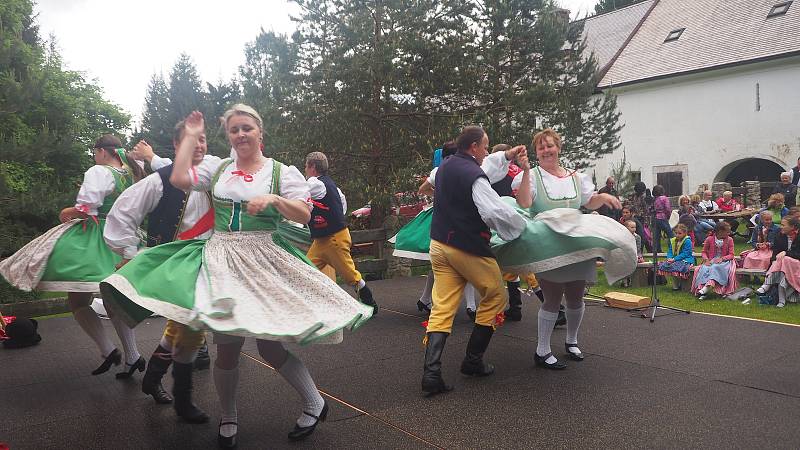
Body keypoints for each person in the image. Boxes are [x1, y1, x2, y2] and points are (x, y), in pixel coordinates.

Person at [101, 106, 373, 446]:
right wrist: (189, 136)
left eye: (246, 128)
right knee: (226, 347)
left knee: (269, 347)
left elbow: (304, 214)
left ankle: (314, 402)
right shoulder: (219, 168)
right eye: (233, 130)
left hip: (262, 259)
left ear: (260, 132)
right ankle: (228, 417)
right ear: (228, 136)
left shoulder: (281, 172)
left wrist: (273, 199)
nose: (240, 134)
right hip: (223, 260)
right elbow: (180, 177)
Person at [0, 135, 146, 376]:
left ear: (101, 151)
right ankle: (133, 356)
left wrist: (66, 211)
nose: (94, 157)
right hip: (125, 237)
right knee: (114, 299)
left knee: (78, 300)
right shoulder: (131, 174)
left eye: (94, 152)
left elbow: (86, 207)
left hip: (96, 236)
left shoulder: (99, 171)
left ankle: (109, 350)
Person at [492, 128, 636, 370]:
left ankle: (571, 341)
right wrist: (527, 171)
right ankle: (542, 350)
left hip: (576, 241)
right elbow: (525, 203)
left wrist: (602, 198)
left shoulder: (576, 177)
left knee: (576, 296)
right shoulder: (533, 175)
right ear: (536, 152)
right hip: (549, 242)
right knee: (552, 298)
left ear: (558, 147)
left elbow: (587, 202)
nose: (546, 150)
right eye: (541, 147)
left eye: (550, 145)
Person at [102, 122, 217, 423]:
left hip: (209, 262)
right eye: (192, 141)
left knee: (183, 325)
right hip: (174, 265)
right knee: (190, 324)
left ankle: (153, 379)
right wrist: (130, 253)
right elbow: (123, 211)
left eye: (202, 140)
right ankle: (183, 399)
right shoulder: (161, 180)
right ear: (178, 147)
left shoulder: (218, 176)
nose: (199, 145)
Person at [421, 125, 527, 396]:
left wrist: (508, 155)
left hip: (439, 245)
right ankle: (472, 360)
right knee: (496, 296)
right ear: (474, 147)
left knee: (443, 306)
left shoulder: (445, 167)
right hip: (467, 247)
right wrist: (519, 229)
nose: (488, 151)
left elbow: (485, 168)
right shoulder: (474, 176)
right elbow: (493, 211)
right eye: (486, 146)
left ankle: (431, 374)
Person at [396, 140, 521, 318]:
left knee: (444, 263)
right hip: (451, 220)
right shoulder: (450, 170)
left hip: (448, 221)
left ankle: (437, 302)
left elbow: (425, 189)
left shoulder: (446, 170)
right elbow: (423, 189)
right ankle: (468, 307)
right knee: (458, 259)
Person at [304, 151, 378, 313]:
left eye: (306, 166)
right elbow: (341, 206)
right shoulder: (333, 187)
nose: (305, 170)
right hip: (322, 240)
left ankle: (370, 304)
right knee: (306, 270)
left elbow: (299, 194)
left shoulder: (314, 183)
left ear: (312, 167)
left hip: (333, 239)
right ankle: (315, 306)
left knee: (351, 276)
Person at [757, 215, 800, 307]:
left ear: (792, 227)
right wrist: (774, 261)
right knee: (782, 269)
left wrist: (786, 253)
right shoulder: (779, 235)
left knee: (785, 259)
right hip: (781, 266)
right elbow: (775, 253)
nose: (781, 227)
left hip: (797, 264)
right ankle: (781, 301)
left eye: (783, 225)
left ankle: (767, 285)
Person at [691, 222, 738, 300]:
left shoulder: (729, 240)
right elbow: (704, 252)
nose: (729, 233)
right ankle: (703, 290)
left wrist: (722, 259)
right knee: (704, 269)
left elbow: (731, 255)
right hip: (711, 260)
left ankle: (705, 289)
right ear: (720, 231)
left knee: (715, 268)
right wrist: (706, 260)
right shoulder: (709, 239)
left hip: (725, 261)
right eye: (727, 231)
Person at [657, 224, 695, 291]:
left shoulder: (687, 241)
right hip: (674, 260)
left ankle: (682, 284)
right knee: (668, 265)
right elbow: (670, 251)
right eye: (676, 233)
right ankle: (675, 286)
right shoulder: (674, 241)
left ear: (685, 233)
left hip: (686, 259)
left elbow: (685, 253)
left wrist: (674, 259)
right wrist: (669, 258)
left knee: (678, 266)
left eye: (679, 233)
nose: (677, 235)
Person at [626, 182, 654, 252]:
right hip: (635, 218)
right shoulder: (632, 196)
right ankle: (640, 250)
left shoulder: (644, 197)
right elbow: (629, 205)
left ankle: (647, 249)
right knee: (640, 235)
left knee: (645, 235)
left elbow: (647, 209)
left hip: (643, 218)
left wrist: (647, 221)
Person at [651, 185, 674, 251]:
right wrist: (668, 216)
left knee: (656, 236)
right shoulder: (664, 198)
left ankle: (657, 250)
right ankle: (671, 248)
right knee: (670, 234)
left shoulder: (654, 199)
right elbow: (667, 208)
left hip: (655, 218)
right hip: (662, 217)